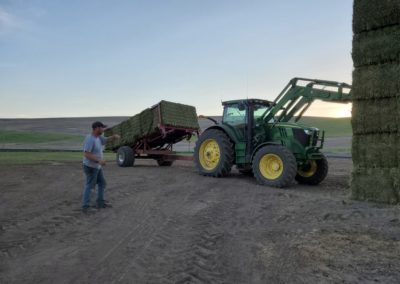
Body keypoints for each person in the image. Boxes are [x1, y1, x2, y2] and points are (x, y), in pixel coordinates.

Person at [82, 121, 120, 213]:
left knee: (102, 183)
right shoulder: (90, 139)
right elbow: (87, 154)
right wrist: (99, 161)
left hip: (97, 166)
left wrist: (113, 137)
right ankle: (86, 207)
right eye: (102, 128)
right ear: (97, 128)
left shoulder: (98, 137)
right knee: (90, 186)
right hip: (90, 166)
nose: (103, 129)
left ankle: (100, 202)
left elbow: (105, 140)